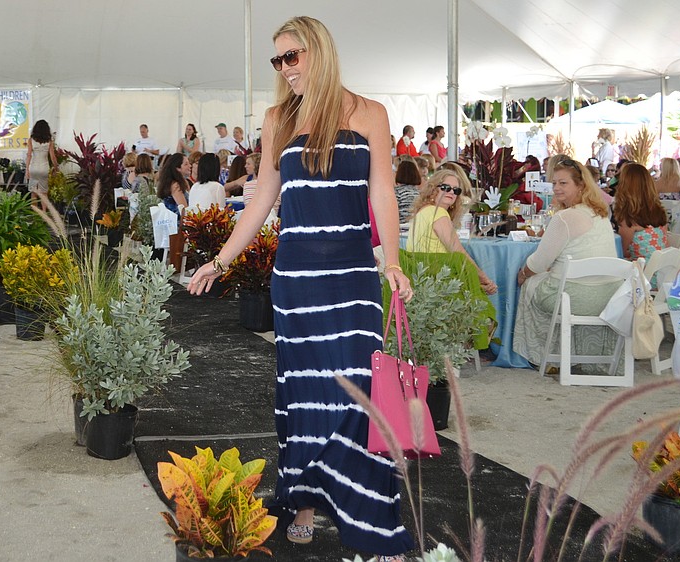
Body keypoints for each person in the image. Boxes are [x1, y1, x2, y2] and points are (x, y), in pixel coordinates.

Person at [187, 16, 413, 561]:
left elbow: (382, 190)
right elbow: (264, 199)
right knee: (304, 393)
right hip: (298, 280)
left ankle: (373, 524)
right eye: (277, 60)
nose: (285, 69)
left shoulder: (370, 113)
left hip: (355, 276)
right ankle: (304, 503)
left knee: (359, 394)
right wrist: (220, 259)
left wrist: (394, 263)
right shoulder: (277, 119)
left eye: (293, 57)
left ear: (319, 52)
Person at [513, 159, 619, 367]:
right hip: (610, 295)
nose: (556, 188)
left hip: (575, 297)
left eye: (563, 183)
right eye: (554, 183)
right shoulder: (600, 214)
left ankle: (546, 357)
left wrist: (522, 274)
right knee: (547, 280)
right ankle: (576, 353)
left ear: (580, 186)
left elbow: (539, 263)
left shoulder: (564, 218)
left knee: (530, 285)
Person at [407, 169, 497, 294]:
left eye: (456, 190)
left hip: (423, 278)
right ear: (433, 189)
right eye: (445, 187)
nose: (451, 192)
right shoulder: (438, 213)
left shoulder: (424, 211)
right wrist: (483, 278)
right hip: (437, 280)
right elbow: (458, 251)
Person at [612, 163, 668, 261]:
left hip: (642, 273)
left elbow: (622, 252)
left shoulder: (629, 219)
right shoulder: (660, 213)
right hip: (662, 270)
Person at [25, 119, 58, 196]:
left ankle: (34, 208)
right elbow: (52, 157)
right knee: (44, 193)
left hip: (33, 168)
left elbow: (29, 155)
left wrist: (27, 169)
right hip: (44, 168)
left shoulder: (31, 140)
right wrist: (56, 167)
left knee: (33, 193)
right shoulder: (49, 141)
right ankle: (44, 208)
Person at [156, 152, 190, 216]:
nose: (190, 166)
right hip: (176, 222)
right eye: (186, 164)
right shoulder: (175, 185)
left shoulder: (182, 182)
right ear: (178, 168)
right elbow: (184, 209)